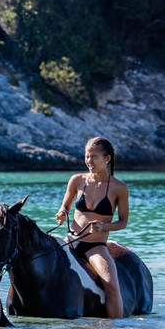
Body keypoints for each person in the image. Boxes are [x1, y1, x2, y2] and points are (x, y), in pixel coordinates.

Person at [54, 135, 128, 318]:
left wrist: (103, 227)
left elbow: (123, 222)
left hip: (95, 248)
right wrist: (62, 213)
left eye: (94, 157)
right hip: (70, 243)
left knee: (111, 285)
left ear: (107, 159)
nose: (89, 161)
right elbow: (65, 206)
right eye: (87, 156)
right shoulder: (77, 180)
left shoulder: (119, 188)